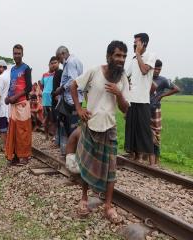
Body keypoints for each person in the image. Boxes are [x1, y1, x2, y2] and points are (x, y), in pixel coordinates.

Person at [70, 40, 130, 223]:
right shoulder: (95, 71)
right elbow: (73, 85)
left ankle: (108, 206)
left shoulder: (123, 79)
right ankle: (84, 198)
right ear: (109, 56)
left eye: (124, 56)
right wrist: (80, 109)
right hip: (91, 125)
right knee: (87, 164)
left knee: (111, 169)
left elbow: (126, 108)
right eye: (118, 55)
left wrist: (118, 93)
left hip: (109, 128)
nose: (121, 59)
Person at [125, 33, 157, 161]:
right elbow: (125, 76)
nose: (134, 44)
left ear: (143, 43)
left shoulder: (150, 56)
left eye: (136, 42)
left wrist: (138, 54)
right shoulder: (133, 60)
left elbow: (144, 71)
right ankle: (136, 159)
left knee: (144, 131)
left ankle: (151, 164)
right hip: (131, 100)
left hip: (143, 100)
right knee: (132, 131)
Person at [5, 44, 33, 166]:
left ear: (22, 54)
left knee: (23, 131)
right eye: (15, 53)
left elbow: (28, 87)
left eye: (18, 53)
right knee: (14, 131)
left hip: (21, 104)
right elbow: (12, 85)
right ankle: (15, 155)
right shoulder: (12, 69)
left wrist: (15, 97)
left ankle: (24, 156)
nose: (16, 55)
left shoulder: (26, 68)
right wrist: (7, 97)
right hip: (13, 105)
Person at [149, 59, 180, 166]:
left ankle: (155, 163)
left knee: (156, 135)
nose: (157, 71)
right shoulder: (146, 78)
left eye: (159, 69)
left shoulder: (163, 80)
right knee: (147, 134)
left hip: (156, 109)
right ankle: (150, 163)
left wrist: (163, 95)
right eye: (155, 68)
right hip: (144, 109)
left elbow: (176, 89)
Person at [56, 46, 83, 154]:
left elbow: (73, 80)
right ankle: (73, 151)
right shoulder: (77, 60)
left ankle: (71, 152)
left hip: (70, 99)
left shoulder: (70, 62)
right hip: (77, 98)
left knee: (70, 126)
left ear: (63, 53)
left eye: (59, 58)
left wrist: (61, 88)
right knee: (74, 124)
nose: (59, 62)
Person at [41, 56, 59, 140]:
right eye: (51, 64)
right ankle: (46, 136)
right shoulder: (44, 75)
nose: (52, 65)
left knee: (53, 119)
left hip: (53, 99)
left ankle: (54, 136)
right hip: (45, 100)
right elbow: (42, 86)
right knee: (46, 119)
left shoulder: (57, 73)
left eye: (54, 63)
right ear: (49, 65)